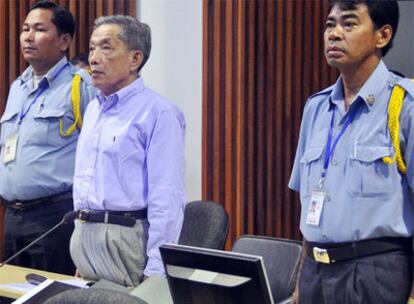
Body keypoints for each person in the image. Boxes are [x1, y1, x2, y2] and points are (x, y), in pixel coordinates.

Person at [289, 0, 414, 303]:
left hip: (375, 272)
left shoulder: (404, 106)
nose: (333, 34)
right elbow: (309, 205)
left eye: (348, 23)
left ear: (382, 36)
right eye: (330, 24)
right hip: (316, 273)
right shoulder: (316, 108)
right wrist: (299, 286)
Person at [69, 15, 186, 287]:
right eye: (92, 48)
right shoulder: (94, 108)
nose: (94, 58)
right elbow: (85, 182)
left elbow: (167, 197)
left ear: (135, 59)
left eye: (106, 48)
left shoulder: (159, 113)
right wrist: (81, 248)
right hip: (86, 236)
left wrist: (157, 268)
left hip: (125, 238)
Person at [0, 0, 95, 275]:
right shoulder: (18, 86)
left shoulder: (81, 85)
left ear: (64, 41)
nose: (28, 37)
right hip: (13, 216)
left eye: (39, 29)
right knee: (11, 294)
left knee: (52, 296)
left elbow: (97, 157)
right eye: (25, 29)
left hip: (55, 216)